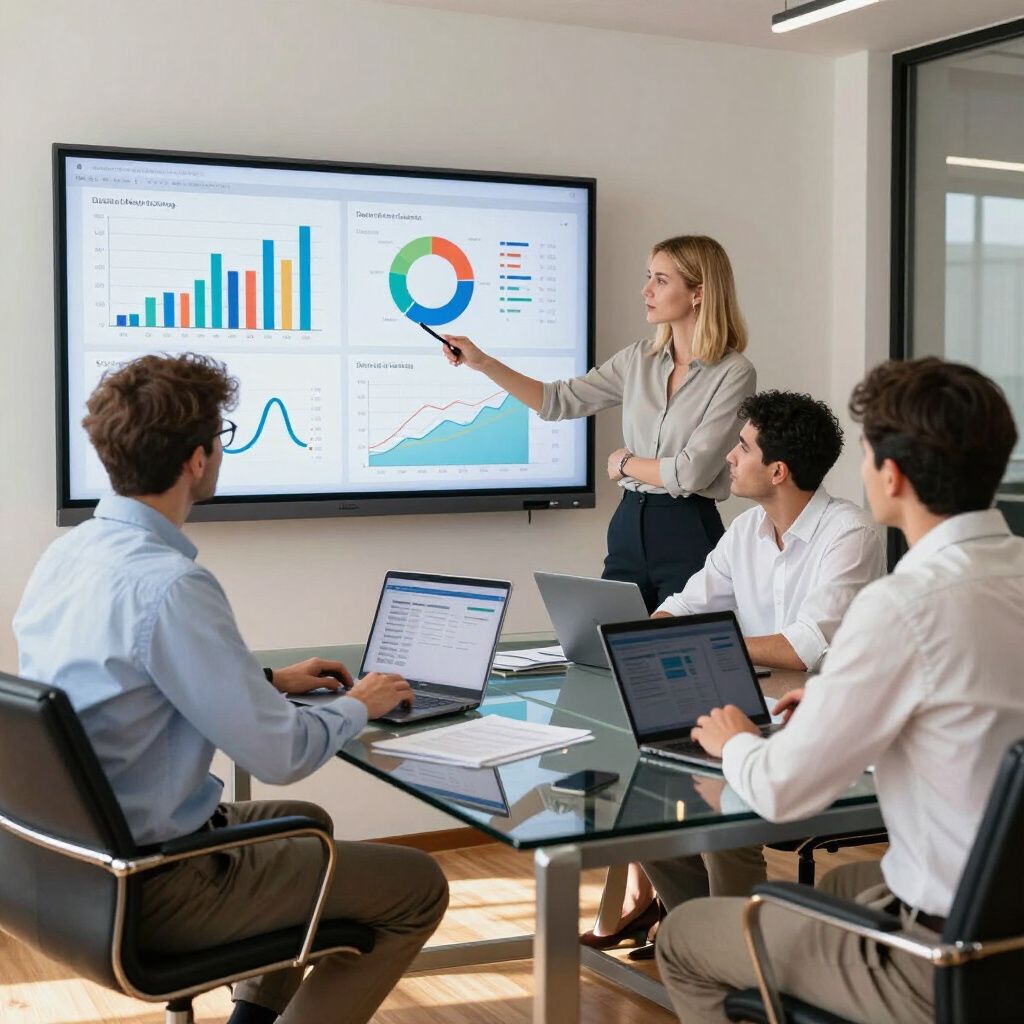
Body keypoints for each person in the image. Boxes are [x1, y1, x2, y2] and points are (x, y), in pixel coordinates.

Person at [14, 354, 449, 1024]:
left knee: (311, 830)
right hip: (156, 885)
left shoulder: (69, 555)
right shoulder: (170, 584)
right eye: (222, 440)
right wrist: (359, 703)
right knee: (418, 887)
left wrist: (268, 681)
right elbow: (279, 757)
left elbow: (119, 683)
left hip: (70, 870)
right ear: (196, 460)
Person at [657, 357, 1024, 1024]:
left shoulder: (905, 605)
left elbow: (780, 793)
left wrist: (738, 741)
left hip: (943, 955)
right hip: (1007, 919)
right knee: (854, 878)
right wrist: (835, 708)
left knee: (684, 940)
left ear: (893, 475)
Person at [584, 390, 887, 952]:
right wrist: (651, 629)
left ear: (777, 469)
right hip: (742, 709)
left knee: (719, 807)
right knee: (645, 790)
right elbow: (688, 602)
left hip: (816, 725)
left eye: (742, 447)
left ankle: (739, 956)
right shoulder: (745, 530)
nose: (729, 457)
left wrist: (710, 646)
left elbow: (804, 648)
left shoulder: (850, 534)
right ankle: (699, 941)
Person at [441, 234, 756, 612]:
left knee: (681, 655)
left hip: (687, 529)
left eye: (660, 280)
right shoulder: (638, 359)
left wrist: (624, 464)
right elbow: (558, 401)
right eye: (648, 276)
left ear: (698, 293)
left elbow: (691, 473)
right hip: (628, 524)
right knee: (607, 648)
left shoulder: (734, 373)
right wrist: (484, 363)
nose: (646, 290)